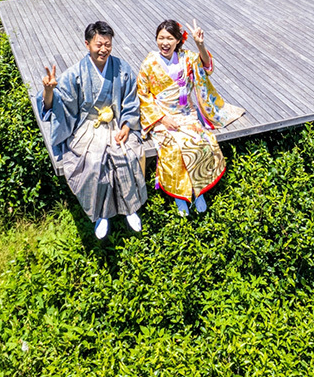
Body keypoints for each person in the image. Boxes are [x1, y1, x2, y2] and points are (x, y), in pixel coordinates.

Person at [37, 21, 147, 239]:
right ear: (87, 44)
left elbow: (131, 102)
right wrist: (48, 91)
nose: (103, 49)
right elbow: (58, 105)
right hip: (89, 126)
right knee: (94, 163)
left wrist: (126, 126)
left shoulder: (122, 69)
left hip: (116, 124)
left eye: (108, 44)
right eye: (99, 44)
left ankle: (130, 208)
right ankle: (101, 214)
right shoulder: (75, 73)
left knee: (126, 156)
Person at [137, 19, 244, 216]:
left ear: (178, 40)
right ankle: (180, 196)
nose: (165, 43)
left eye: (170, 38)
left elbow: (207, 67)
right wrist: (161, 119)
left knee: (203, 142)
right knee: (174, 147)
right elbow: (143, 95)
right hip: (163, 116)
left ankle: (198, 190)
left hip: (186, 113)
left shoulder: (187, 58)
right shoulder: (149, 63)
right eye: (161, 38)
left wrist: (200, 44)